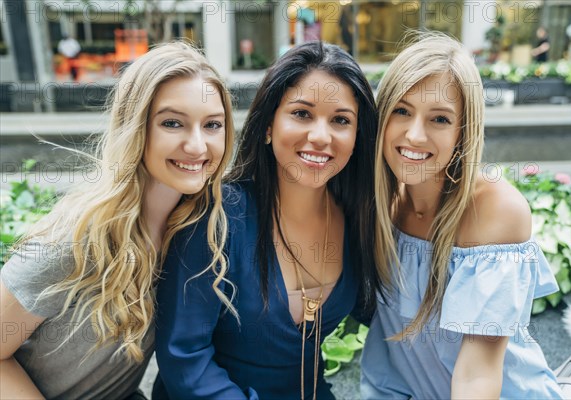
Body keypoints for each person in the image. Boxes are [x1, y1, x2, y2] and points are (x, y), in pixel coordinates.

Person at [154, 41, 391, 399]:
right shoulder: (215, 218)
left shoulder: (361, 219)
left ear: (357, 137)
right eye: (302, 114)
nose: (320, 136)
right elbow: (185, 361)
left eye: (341, 120)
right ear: (268, 125)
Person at [0, 41, 234, 399]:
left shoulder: (199, 230)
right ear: (136, 127)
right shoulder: (76, 238)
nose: (198, 146)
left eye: (213, 125)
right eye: (173, 123)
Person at [360, 33, 563, 399]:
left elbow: (477, 376)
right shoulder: (380, 202)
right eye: (402, 111)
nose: (415, 134)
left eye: (439, 118)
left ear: (462, 132)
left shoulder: (495, 210)